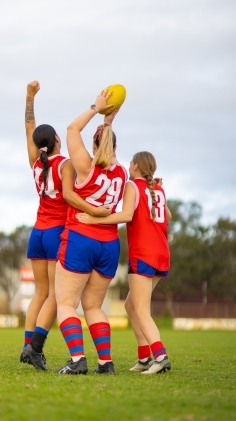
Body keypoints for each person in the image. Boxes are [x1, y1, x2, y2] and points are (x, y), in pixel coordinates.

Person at [20, 81, 112, 371]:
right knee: (58, 297)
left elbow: (29, 128)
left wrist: (29, 98)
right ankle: (35, 347)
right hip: (59, 232)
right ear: (58, 139)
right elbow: (76, 189)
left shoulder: (36, 162)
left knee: (40, 294)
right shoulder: (66, 165)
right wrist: (106, 118)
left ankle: (27, 346)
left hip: (37, 232)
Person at [76, 151, 172, 375]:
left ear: (136, 166)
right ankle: (144, 356)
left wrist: (95, 218)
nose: (127, 166)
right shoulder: (158, 189)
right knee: (131, 306)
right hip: (161, 254)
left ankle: (160, 356)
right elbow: (167, 217)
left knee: (140, 310)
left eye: (130, 163)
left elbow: (126, 215)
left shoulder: (132, 186)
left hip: (144, 253)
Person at [54, 89, 128, 375]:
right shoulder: (122, 172)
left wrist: (95, 108)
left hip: (81, 238)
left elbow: (72, 128)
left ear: (94, 144)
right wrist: (110, 120)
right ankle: (105, 363)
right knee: (94, 307)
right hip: (109, 243)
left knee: (67, 304)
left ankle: (77, 360)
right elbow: (107, 143)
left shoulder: (85, 166)